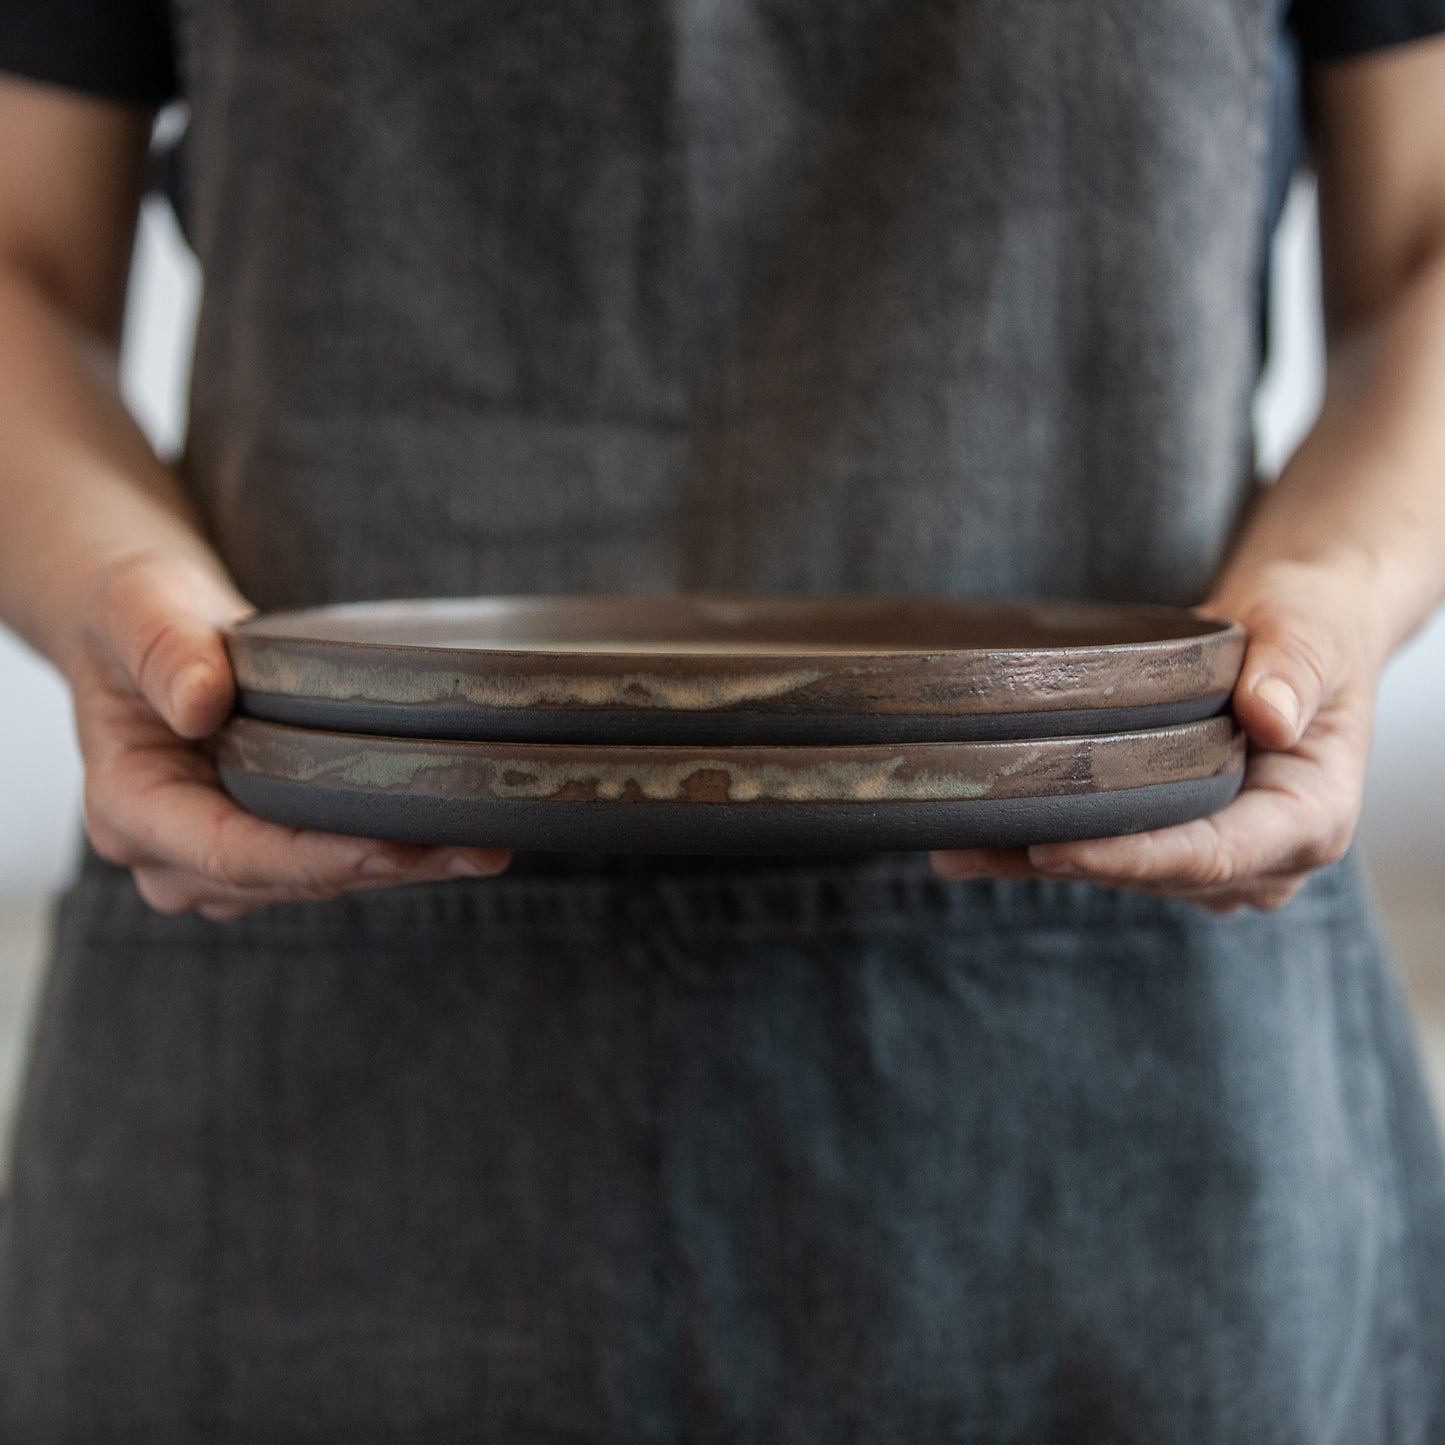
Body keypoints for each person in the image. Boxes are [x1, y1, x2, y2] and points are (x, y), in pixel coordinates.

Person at [1, 0, 1443, 1439]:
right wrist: (115, 600)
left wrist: (1332, 596)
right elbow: (28, 264)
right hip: (293, 1010)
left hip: (1134, 1048)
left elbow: (1418, 248)